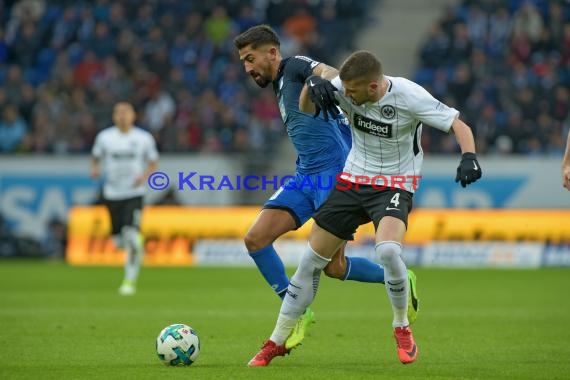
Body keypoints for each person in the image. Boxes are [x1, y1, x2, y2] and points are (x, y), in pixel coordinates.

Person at [247, 50, 482, 366]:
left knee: (387, 250)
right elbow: (306, 107)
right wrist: (310, 88)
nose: (348, 98)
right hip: (353, 179)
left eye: (354, 92)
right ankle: (275, 341)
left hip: (396, 184)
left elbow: (459, 125)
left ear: (373, 87)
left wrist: (469, 156)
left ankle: (401, 325)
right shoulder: (346, 89)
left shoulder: (409, 95)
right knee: (309, 262)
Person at [233, 25, 419, 350]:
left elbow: (327, 70)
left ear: (272, 53)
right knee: (255, 238)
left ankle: (400, 277)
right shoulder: (279, 85)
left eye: (250, 59)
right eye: (243, 61)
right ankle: (297, 311)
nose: (247, 68)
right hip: (305, 175)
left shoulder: (292, 67)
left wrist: (320, 79)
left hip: (333, 176)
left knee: (334, 267)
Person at [91, 101, 159, 295]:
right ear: (114, 116)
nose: (122, 116)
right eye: (118, 112)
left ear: (133, 115)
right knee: (118, 242)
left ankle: (129, 281)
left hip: (134, 194)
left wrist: (144, 176)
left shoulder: (143, 138)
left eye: (125, 112)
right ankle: (133, 240)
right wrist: (94, 169)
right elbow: (96, 156)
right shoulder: (104, 137)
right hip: (112, 194)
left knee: (130, 236)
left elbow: (153, 161)